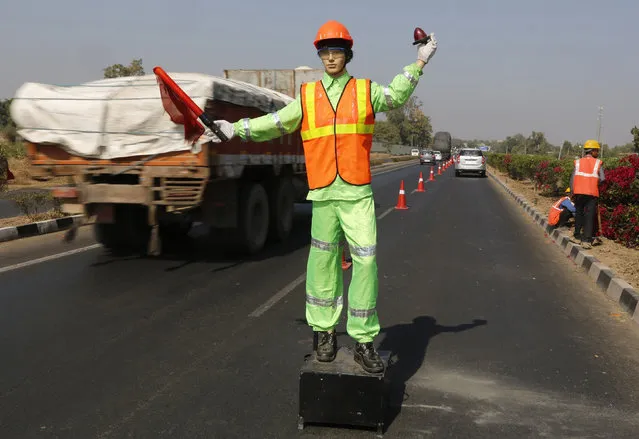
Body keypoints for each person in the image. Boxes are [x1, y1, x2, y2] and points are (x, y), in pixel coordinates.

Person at [207, 20, 438, 373]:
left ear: (347, 54)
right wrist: (234, 129)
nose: (330, 57)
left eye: (336, 51)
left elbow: (396, 94)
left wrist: (419, 62)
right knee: (322, 266)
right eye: (325, 51)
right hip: (323, 194)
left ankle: (363, 341)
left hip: (357, 193)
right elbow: (277, 122)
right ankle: (324, 334)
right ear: (320, 55)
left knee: (366, 264)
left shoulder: (365, 91)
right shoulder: (307, 96)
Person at [570, 139, 605, 249]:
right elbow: (603, 179)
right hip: (591, 193)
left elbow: (572, 179)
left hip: (579, 192)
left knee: (579, 213)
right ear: (593, 151)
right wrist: (594, 182)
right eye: (597, 151)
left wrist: (572, 192)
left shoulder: (578, 162)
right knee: (589, 216)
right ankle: (586, 240)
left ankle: (576, 236)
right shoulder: (598, 163)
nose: (597, 153)